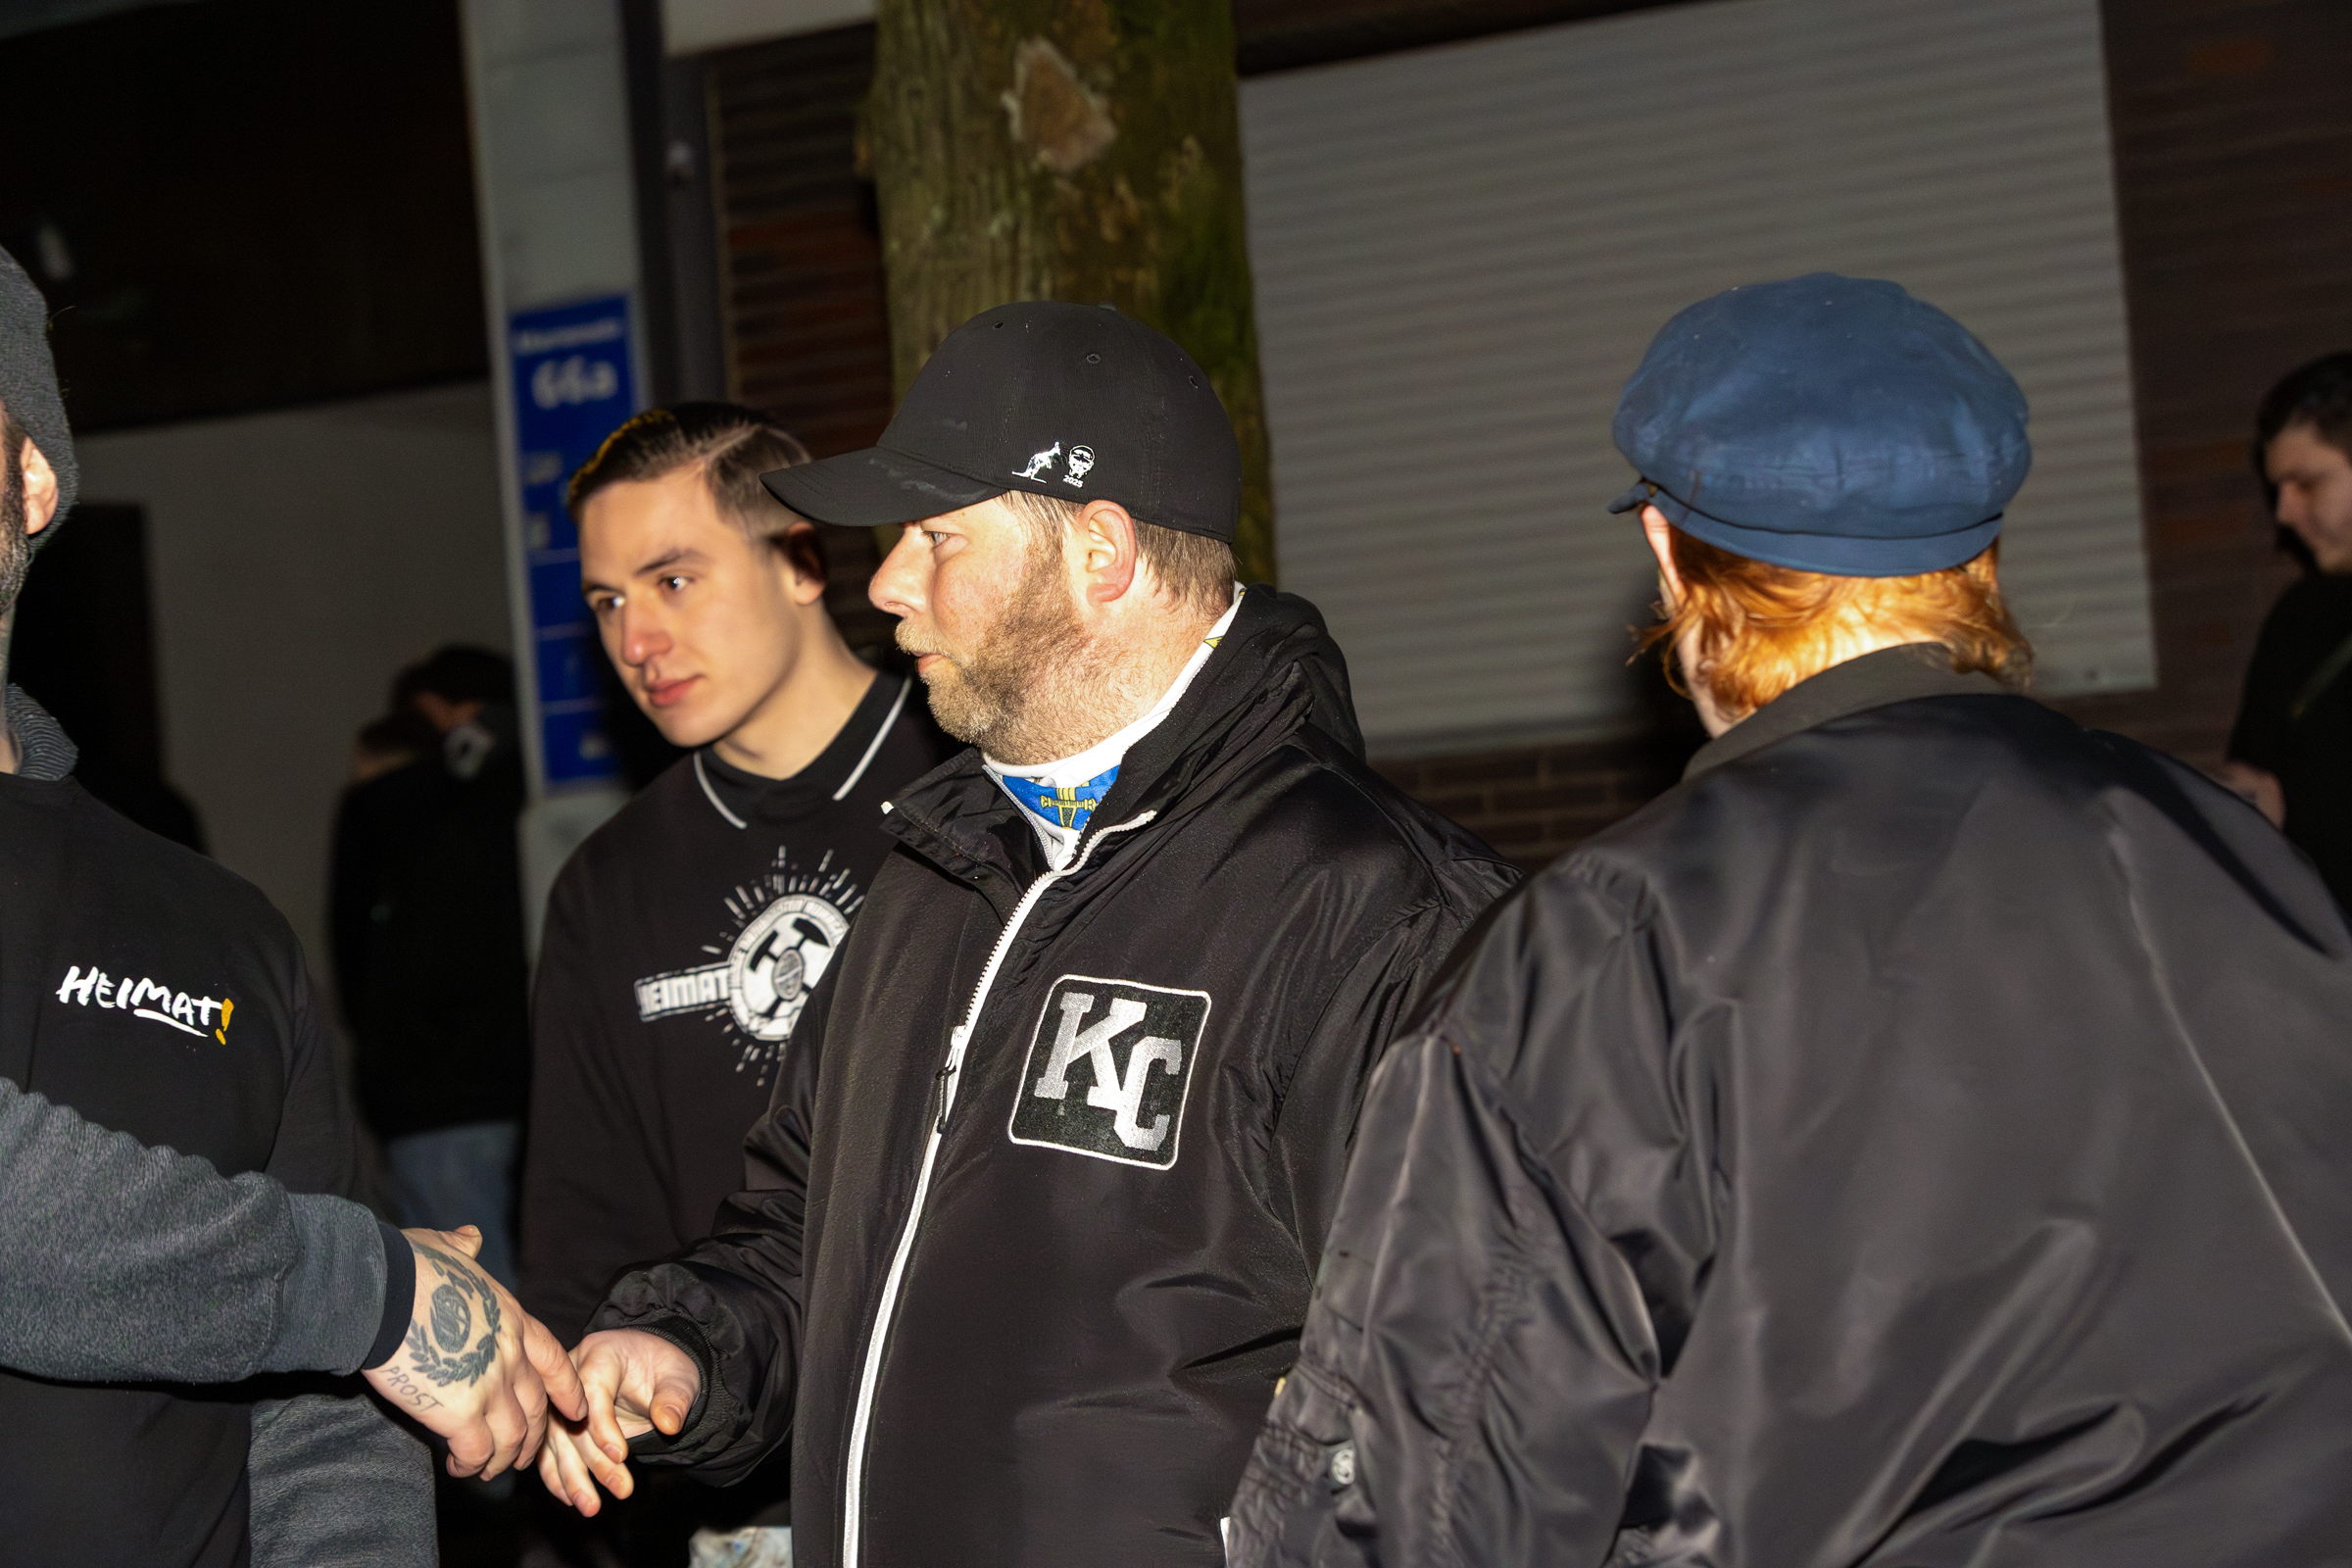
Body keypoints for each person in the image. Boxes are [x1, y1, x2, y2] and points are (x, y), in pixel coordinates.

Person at [1227, 274, 2352, 1566]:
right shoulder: (2237, 863)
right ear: (1981, 560)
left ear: (1668, 552)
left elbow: (1425, 1506)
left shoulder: (1610, 942)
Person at [535, 302, 1519, 1568]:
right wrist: (687, 1345)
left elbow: (1481, 1407)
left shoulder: (1380, 912)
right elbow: (804, 1239)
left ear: (1099, 554)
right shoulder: (934, 876)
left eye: (936, 536)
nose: (886, 583)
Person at [0, 243, 581, 1514]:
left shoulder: (218, 930)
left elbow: (320, 1430)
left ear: (30, 474)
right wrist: (373, 1289)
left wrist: (365, 1312)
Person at [519, 403, 955, 1558]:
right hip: (741, 1506)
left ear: (801, 561)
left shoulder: (974, 787)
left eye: (673, 580)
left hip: (980, 1464)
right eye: (607, 601)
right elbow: (579, 1221)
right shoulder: (608, 885)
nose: (637, 639)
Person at [332, 646, 531, 1286]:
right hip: (511, 1078)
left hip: (437, 1092)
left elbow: (365, 961)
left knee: (469, 1285)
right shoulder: (530, 797)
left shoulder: (400, 815)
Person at [2223, 353, 2352, 906]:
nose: (2285, 512)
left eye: (2307, 483)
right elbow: (2253, 780)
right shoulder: (2301, 618)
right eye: (2279, 488)